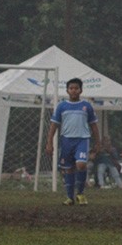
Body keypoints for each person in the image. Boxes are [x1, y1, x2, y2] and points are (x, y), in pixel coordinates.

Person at [45, 77, 100, 205]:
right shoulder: (61, 106)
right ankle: (70, 197)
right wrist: (49, 143)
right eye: (71, 88)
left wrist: (98, 142)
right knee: (68, 169)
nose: (74, 91)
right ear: (67, 91)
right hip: (66, 140)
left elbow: (94, 125)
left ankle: (80, 193)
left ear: (80, 90)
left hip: (82, 139)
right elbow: (54, 125)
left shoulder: (86, 106)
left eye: (76, 88)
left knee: (81, 165)